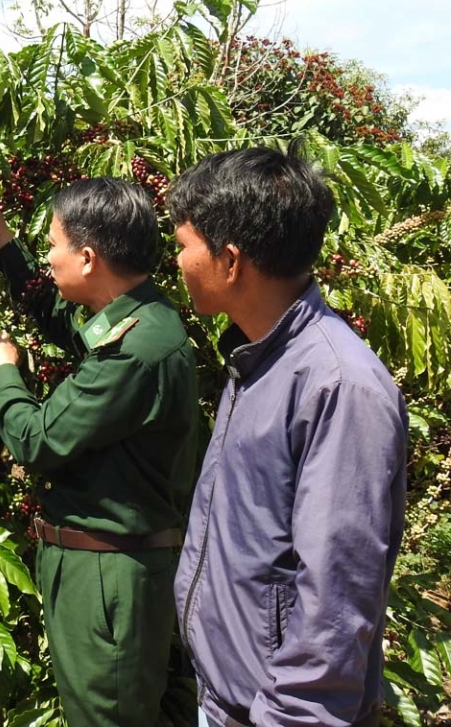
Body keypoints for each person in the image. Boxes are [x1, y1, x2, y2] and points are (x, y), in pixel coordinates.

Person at [169, 147, 407, 727]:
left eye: (182, 245)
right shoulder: (258, 357)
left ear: (230, 261)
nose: (175, 261)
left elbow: (337, 595)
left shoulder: (338, 387)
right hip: (228, 697)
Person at [0, 177, 200, 727]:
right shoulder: (140, 316)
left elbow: (35, 439)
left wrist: (2, 374)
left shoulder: (132, 353)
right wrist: (3, 245)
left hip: (107, 575)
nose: (46, 259)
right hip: (118, 563)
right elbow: (64, 320)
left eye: (51, 246)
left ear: (88, 257)